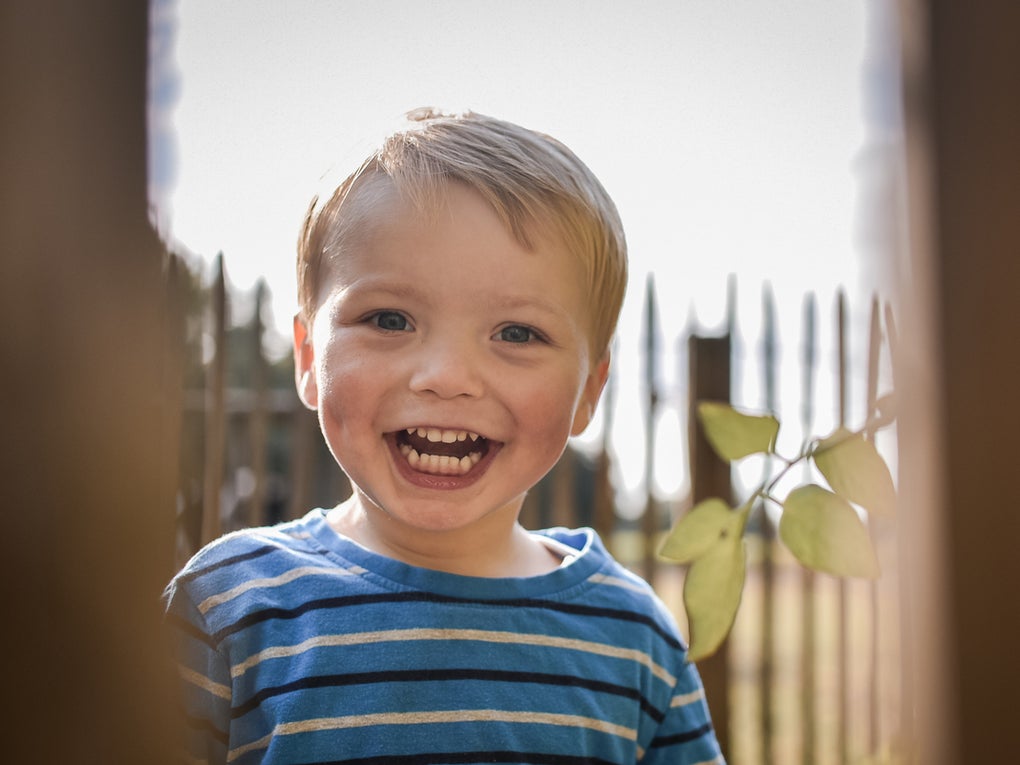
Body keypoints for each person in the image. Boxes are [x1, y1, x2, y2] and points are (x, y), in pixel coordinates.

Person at [164, 108, 725, 765]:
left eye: (517, 333)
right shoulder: (226, 610)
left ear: (589, 392)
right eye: (390, 319)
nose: (446, 377)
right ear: (309, 357)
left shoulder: (634, 641)